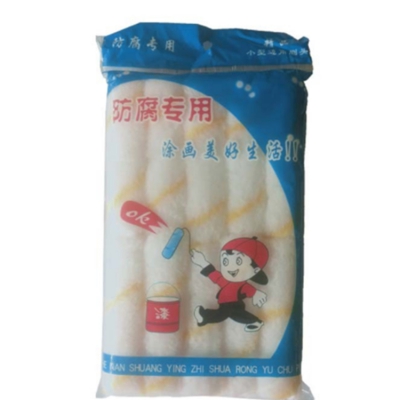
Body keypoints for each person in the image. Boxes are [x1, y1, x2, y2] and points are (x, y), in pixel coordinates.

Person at [190, 237, 269, 332]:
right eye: (225, 261)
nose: (230, 268)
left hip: (231, 303)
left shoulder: (241, 284)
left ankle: (204, 316)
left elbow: (247, 288)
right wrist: (202, 262)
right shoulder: (225, 280)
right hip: (230, 304)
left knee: (222, 314)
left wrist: (256, 293)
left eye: (238, 261)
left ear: (255, 270)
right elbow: (214, 275)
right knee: (236, 315)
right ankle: (255, 322)